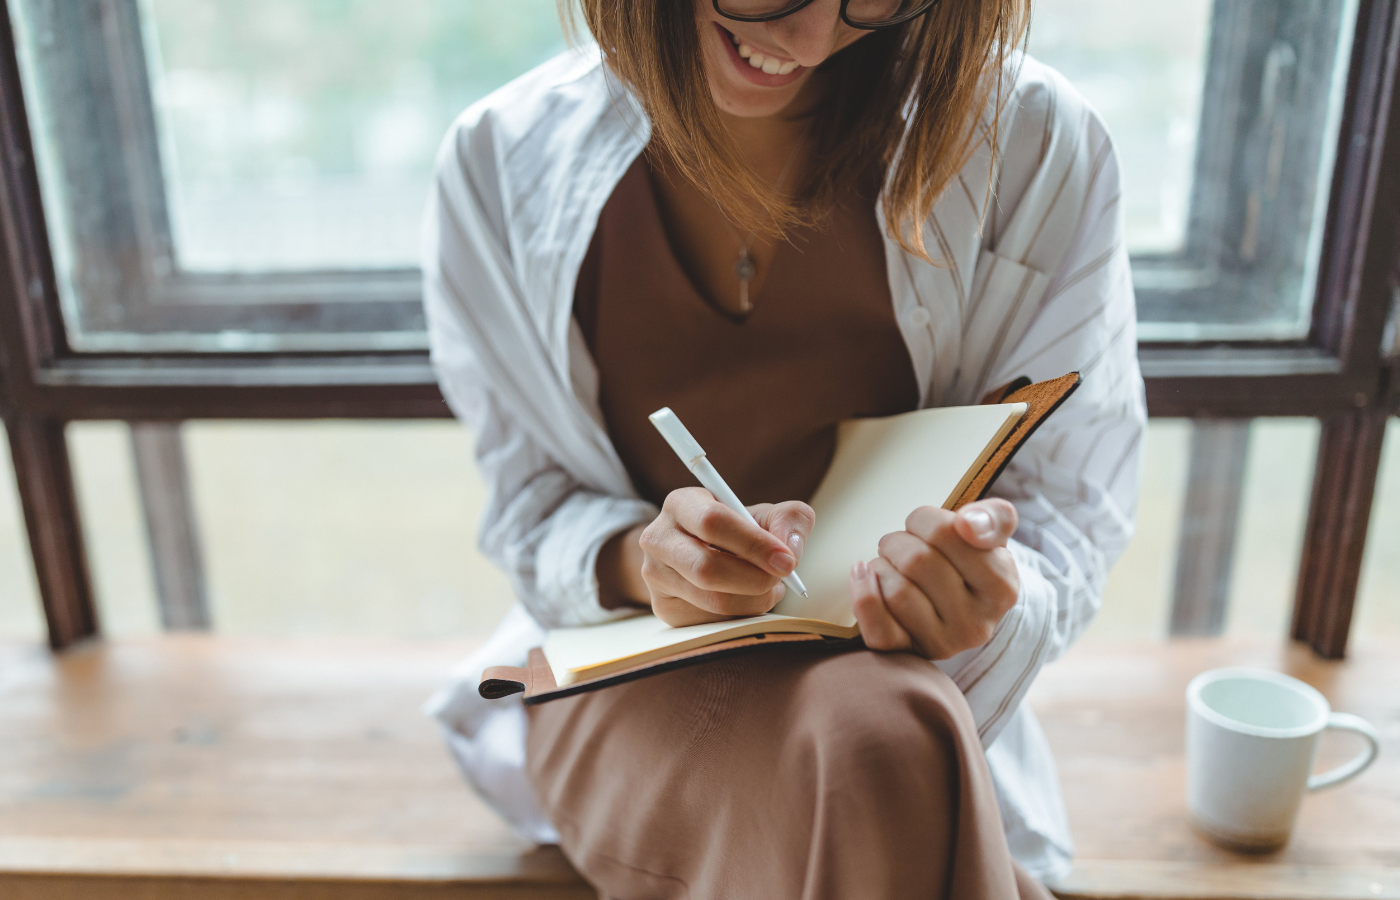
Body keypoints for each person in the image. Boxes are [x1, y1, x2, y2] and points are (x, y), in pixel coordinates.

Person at [421, 0, 1145, 895]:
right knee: (886, 743)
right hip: (624, 678)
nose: (807, 40)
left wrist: (987, 595)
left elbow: (1071, 503)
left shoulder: (1034, 145)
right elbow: (533, 504)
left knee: (879, 728)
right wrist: (646, 567)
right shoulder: (498, 162)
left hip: (910, 682)